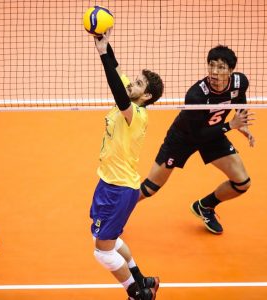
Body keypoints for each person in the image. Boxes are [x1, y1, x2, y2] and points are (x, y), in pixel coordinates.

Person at [139, 45, 255, 235]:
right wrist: (230, 126)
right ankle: (115, 213)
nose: (215, 72)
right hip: (184, 137)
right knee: (151, 187)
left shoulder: (239, 82)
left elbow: (239, 98)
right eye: (211, 66)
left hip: (214, 134)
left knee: (242, 183)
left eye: (221, 67)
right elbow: (197, 136)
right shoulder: (196, 95)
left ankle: (205, 206)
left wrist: (241, 121)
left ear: (231, 70)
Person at [89, 28, 164, 300]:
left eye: (139, 84)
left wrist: (101, 55)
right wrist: (104, 45)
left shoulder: (138, 114)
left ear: (146, 97)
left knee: (102, 250)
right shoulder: (132, 98)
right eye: (135, 80)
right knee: (111, 239)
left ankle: (136, 293)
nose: (133, 83)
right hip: (110, 184)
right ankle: (144, 279)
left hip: (118, 190)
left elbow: (118, 92)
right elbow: (116, 70)